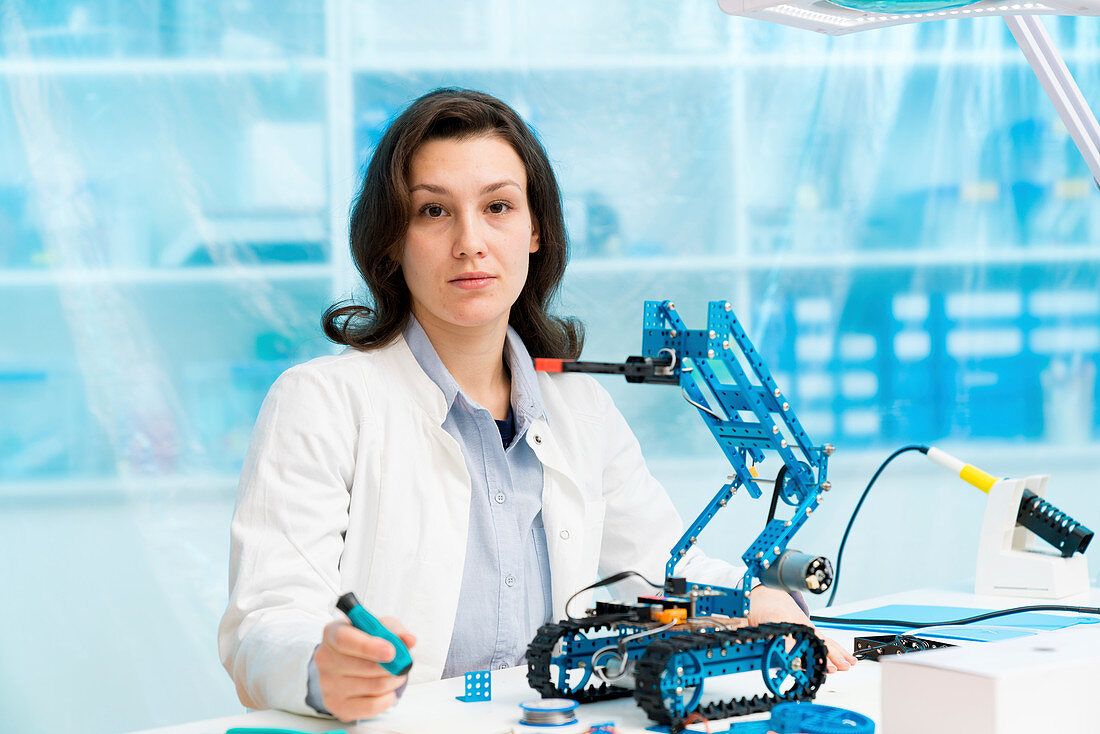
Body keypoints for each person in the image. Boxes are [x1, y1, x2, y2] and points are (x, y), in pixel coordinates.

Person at [217, 87, 856, 722]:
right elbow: (266, 619)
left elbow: (663, 565)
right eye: (433, 212)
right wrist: (320, 669)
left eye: (497, 206)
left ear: (534, 231)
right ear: (391, 240)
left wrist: (755, 603)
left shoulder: (580, 407)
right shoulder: (322, 402)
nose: (470, 241)